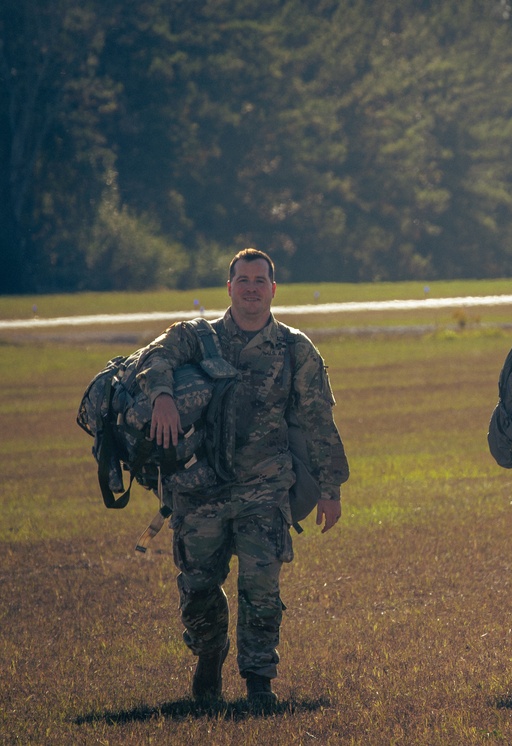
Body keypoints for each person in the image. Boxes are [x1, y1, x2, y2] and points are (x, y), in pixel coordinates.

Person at [137, 248, 350, 708]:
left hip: (265, 488)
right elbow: (154, 359)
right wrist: (162, 397)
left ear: (273, 289)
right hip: (200, 491)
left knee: (261, 588)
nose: (251, 288)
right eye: (243, 280)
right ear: (228, 287)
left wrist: (330, 490)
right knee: (197, 585)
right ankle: (210, 655)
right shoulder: (200, 339)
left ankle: (259, 681)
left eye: (260, 280)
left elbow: (318, 422)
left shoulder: (296, 348)